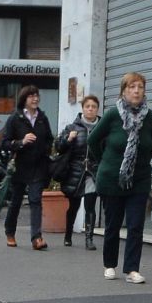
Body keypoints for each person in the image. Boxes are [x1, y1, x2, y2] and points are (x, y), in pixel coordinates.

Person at [85, 72, 152, 283]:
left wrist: (137, 161)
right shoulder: (112, 115)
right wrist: (106, 163)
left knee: (135, 225)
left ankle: (132, 270)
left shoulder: (150, 117)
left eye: (140, 87)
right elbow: (92, 140)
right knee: (113, 225)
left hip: (140, 179)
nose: (136, 91)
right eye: (132, 87)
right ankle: (110, 264)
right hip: (112, 179)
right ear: (124, 91)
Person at [0, 86, 54, 249]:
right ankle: (10, 232)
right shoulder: (15, 118)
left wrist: (46, 149)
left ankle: (36, 238)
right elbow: (4, 143)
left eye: (37, 96)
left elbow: (49, 139)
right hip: (20, 167)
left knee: (36, 200)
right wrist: (21, 142)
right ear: (24, 99)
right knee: (15, 201)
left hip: (38, 166)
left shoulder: (42, 118)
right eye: (31, 96)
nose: (35, 99)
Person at [55, 94, 103, 250]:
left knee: (90, 206)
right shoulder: (72, 127)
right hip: (75, 172)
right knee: (74, 206)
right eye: (87, 106)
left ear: (97, 109)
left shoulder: (103, 127)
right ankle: (68, 235)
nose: (90, 109)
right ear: (83, 109)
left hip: (92, 173)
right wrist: (68, 139)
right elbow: (59, 147)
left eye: (94, 107)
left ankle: (89, 239)